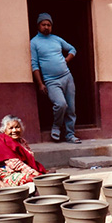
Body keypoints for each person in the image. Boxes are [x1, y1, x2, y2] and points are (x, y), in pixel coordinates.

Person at [30, 13, 81, 144]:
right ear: (38, 26)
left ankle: (70, 135)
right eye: (44, 25)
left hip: (67, 77)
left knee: (71, 108)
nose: (46, 27)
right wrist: (40, 84)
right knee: (60, 104)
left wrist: (66, 60)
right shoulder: (34, 42)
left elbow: (72, 49)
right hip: (51, 80)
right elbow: (34, 65)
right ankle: (56, 126)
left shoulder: (57, 39)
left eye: (49, 25)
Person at [0, 115, 47, 186]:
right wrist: (34, 173)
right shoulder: (2, 142)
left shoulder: (21, 141)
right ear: (4, 130)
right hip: (7, 175)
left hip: (21, 170)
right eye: (11, 128)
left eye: (17, 127)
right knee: (36, 178)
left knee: (47, 175)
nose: (14, 130)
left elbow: (29, 157)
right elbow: (16, 164)